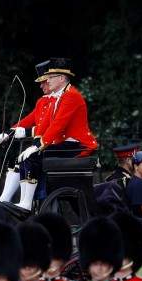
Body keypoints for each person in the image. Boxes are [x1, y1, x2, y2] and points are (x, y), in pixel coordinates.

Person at [12, 57, 98, 210]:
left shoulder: (71, 95)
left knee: (32, 156)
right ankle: (26, 201)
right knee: (26, 156)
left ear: (61, 78)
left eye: (50, 77)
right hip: (65, 144)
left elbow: (58, 125)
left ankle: (27, 203)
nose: (47, 80)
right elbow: (45, 125)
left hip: (77, 146)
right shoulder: (59, 96)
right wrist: (11, 132)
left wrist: (38, 145)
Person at [0, 60, 53, 204]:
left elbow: (50, 128)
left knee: (26, 158)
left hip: (51, 145)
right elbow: (28, 120)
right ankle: (4, 199)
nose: (41, 86)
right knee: (14, 158)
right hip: (42, 145)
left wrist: (27, 132)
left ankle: (25, 203)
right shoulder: (42, 101)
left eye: (44, 82)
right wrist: (8, 133)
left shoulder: (59, 101)